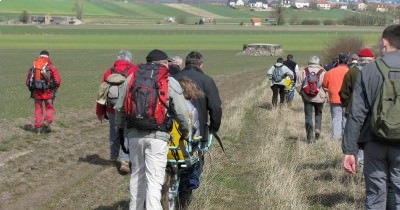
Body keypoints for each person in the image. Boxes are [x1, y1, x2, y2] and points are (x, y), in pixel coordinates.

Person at [114, 49, 189, 210]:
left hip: (134, 135)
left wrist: (121, 128)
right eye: (166, 63)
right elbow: (182, 112)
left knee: (137, 177)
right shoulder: (168, 81)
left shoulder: (132, 78)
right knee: (154, 180)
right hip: (158, 136)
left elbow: (119, 107)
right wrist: (185, 131)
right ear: (163, 63)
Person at [342, 24, 400, 209]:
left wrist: (349, 150)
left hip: (374, 142)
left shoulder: (368, 70)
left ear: (384, 43)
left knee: (375, 195)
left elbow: (356, 114)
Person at [173, 51, 222, 208]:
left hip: (170, 133)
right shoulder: (207, 80)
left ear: (186, 63)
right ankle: (184, 199)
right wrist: (213, 128)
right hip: (196, 134)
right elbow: (215, 107)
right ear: (201, 65)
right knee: (193, 166)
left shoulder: (172, 79)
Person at [96, 49, 137, 173]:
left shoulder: (109, 72)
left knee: (114, 133)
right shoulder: (134, 70)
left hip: (111, 109)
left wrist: (100, 112)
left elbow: (102, 93)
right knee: (127, 133)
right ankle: (125, 161)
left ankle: (114, 158)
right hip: (128, 109)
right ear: (129, 59)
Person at [340, 48, 375, 172]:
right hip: (373, 112)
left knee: (357, 137)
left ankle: (360, 164)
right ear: (373, 59)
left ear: (359, 60)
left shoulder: (351, 72)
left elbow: (344, 92)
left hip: (354, 109)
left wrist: (346, 105)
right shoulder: (378, 72)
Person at [26, 50, 61, 134]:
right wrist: (54, 87)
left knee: (38, 109)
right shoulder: (51, 67)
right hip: (48, 92)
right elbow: (58, 81)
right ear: (48, 56)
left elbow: (27, 81)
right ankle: (47, 122)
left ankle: (38, 127)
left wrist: (32, 90)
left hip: (37, 93)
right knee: (49, 107)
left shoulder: (34, 67)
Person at [295, 55, 327, 143]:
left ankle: (309, 137)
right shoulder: (323, 71)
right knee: (318, 113)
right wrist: (325, 94)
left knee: (308, 116)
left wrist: (302, 93)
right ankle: (317, 129)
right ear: (318, 62)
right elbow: (326, 85)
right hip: (319, 97)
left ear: (309, 62)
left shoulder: (303, 71)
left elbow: (297, 85)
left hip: (307, 98)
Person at [322, 53, 349, 139]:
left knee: (336, 118)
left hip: (334, 98)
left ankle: (336, 137)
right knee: (346, 118)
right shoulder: (351, 72)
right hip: (348, 100)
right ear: (347, 61)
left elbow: (324, 85)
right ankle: (345, 137)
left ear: (338, 60)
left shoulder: (330, 72)